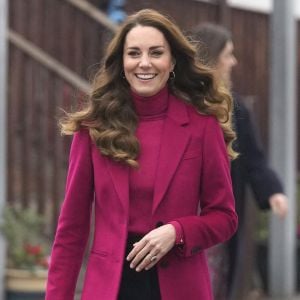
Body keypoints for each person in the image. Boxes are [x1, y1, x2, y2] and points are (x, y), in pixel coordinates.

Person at [45, 9, 238, 300]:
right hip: (110, 288)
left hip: (180, 288)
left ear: (171, 61)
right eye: (134, 53)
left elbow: (224, 217)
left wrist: (178, 231)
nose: (144, 63)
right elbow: (71, 230)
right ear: (122, 63)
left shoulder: (202, 126)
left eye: (156, 53)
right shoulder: (93, 129)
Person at [191, 23, 288, 299]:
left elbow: (254, 159)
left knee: (215, 282)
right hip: (179, 216)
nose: (233, 62)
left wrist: (273, 192)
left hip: (217, 219)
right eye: (228, 54)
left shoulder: (234, 108)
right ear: (211, 58)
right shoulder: (177, 102)